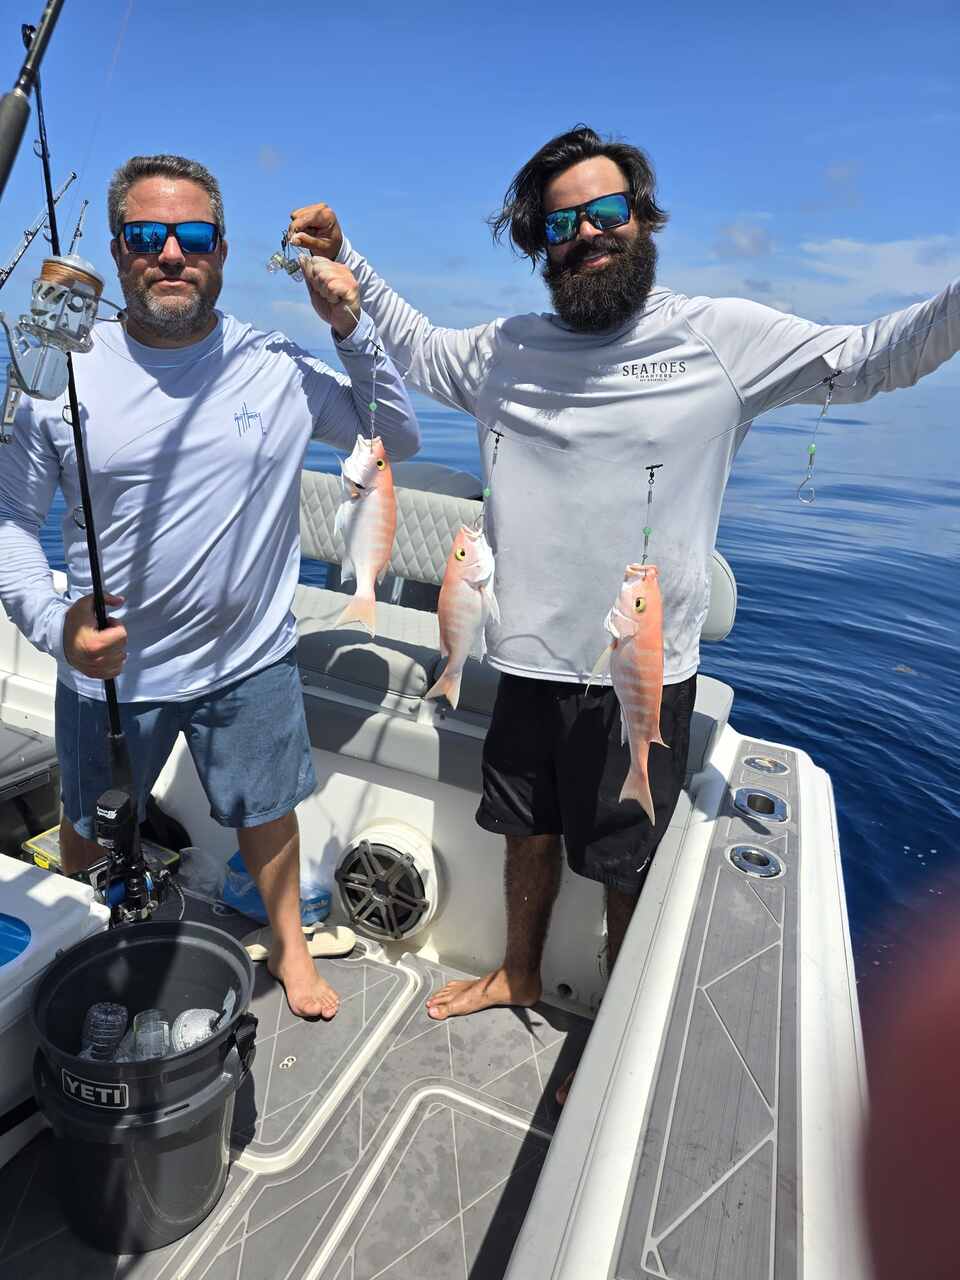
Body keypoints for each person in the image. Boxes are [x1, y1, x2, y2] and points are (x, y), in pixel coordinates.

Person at [288, 123, 960, 1081]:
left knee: (621, 862)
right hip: (521, 657)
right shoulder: (503, 350)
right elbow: (417, 342)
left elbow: (872, 358)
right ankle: (519, 972)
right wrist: (344, 258)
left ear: (643, 220)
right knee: (523, 831)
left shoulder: (725, 339)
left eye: (607, 213)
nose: (588, 233)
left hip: (637, 675)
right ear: (540, 245)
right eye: (563, 223)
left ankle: (612, 1016)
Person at [0, 153, 419, 1020]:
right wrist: (53, 626)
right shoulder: (56, 370)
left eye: (192, 235)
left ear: (222, 249)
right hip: (111, 674)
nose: (170, 253)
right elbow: (8, 521)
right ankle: (73, 949)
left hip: (251, 657)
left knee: (268, 814)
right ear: (118, 252)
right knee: (88, 823)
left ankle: (292, 953)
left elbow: (394, 436)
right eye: (146, 236)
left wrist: (352, 327)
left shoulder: (278, 364)